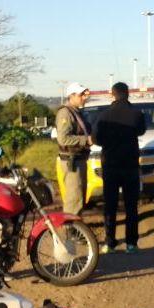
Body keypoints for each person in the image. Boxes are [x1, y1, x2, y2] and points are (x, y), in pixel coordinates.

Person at [92, 82, 146, 253]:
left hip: (110, 166)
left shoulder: (103, 115)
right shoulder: (136, 114)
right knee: (131, 206)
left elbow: (96, 139)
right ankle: (131, 243)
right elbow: (141, 131)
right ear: (127, 94)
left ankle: (110, 243)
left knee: (110, 205)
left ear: (112, 94)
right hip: (130, 165)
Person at [56, 82, 92, 215]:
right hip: (72, 162)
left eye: (84, 94)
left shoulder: (76, 112)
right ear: (71, 96)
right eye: (81, 95)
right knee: (74, 200)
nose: (84, 97)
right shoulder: (65, 113)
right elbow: (63, 139)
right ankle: (70, 231)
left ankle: (77, 230)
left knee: (79, 198)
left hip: (79, 160)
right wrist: (86, 140)